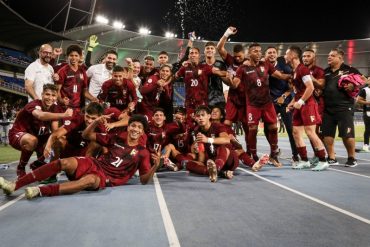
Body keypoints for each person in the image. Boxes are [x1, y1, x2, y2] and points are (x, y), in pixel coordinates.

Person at [0, 115, 161, 199]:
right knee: (64, 162)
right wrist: (96, 122)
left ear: (142, 132)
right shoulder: (116, 138)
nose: (135, 129)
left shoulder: (143, 152)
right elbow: (86, 134)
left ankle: (40, 191)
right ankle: (14, 185)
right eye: (133, 125)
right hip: (94, 164)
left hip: (107, 178)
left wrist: (156, 165)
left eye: (139, 127)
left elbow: (144, 180)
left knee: (89, 181)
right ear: (129, 126)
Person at [232, 43, 291, 166]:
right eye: (255, 51)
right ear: (249, 53)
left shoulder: (266, 64)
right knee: (252, 130)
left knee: (273, 128)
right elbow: (235, 84)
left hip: (267, 103)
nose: (258, 53)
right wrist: (229, 78)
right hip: (253, 105)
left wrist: (293, 76)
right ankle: (253, 155)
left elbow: (280, 75)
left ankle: (274, 155)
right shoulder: (242, 68)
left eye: (260, 51)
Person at [8, 84, 73, 178]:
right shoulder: (33, 104)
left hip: (40, 138)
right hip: (18, 135)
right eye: (47, 94)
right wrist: (64, 115)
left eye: (53, 95)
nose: (50, 98)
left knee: (60, 140)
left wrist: (66, 127)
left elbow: (55, 130)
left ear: (56, 97)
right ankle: (21, 168)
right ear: (42, 94)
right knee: (32, 140)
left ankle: (40, 164)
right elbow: (40, 115)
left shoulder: (55, 108)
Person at [285, 46, 328, 171]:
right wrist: (292, 102)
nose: (284, 56)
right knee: (296, 132)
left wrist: (301, 101)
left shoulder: (302, 69)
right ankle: (304, 160)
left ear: (293, 56)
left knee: (310, 132)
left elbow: (311, 88)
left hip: (308, 105)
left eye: (286, 54)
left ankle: (323, 160)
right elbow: (300, 91)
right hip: (300, 104)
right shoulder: (295, 70)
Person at [322, 48, 362, 167]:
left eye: (332, 56)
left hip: (344, 107)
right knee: (327, 135)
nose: (329, 57)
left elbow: (364, 80)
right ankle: (331, 157)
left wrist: (354, 85)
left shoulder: (350, 70)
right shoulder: (326, 71)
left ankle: (352, 158)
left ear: (340, 58)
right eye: (329, 55)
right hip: (328, 108)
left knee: (347, 134)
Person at [175, 47, 227, 122]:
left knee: (202, 125)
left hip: (202, 103)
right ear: (189, 56)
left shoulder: (205, 67)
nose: (193, 55)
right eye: (191, 53)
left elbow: (221, 73)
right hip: (189, 104)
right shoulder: (184, 68)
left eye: (196, 53)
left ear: (199, 55)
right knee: (190, 125)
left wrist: (230, 73)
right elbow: (175, 76)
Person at [264, 46, 298, 161]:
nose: (272, 54)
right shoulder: (262, 66)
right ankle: (274, 151)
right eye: (269, 53)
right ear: (266, 55)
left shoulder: (285, 67)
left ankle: (295, 155)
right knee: (267, 129)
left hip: (285, 102)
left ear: (277, 54)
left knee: (290, 129)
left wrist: (283, 96)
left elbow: (292, 86)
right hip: (269, 103)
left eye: (274, 52)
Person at [302, 49, 326, 165]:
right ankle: (317, 154)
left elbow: (321, 85)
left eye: (308, 56)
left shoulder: (319, 70)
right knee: (309, 132)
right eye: (304, 56)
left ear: (314, 58)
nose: (305, 58)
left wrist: (311, 78)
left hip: (316, 105)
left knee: (314, 132)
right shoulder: (300, 70)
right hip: (304, 104)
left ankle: (321, 156)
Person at [56, 45, 98, 110]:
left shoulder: (83, 71)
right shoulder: (62, 71)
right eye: (71, 55)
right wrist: (61, 100)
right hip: (64, 107)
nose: (73, 58)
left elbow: (85, 91)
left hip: (78, 107)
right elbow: (57, 90)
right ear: (67, 56)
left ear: (80, 57)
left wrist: (93, 98)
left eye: (76, 55)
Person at [200, 41, 227, 108]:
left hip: (218, 99)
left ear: (215, 51)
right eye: (208, 48)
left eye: (212, 48)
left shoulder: (221, 64)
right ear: (204, 51)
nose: (210, 50)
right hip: (203, 98)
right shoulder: (200, 65)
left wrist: (218, 72)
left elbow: (226, 81)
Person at [356, 82, 370, 152]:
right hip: (368, 111)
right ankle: (366, 145)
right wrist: (368, 103)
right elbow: (358, 100)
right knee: (368, 129)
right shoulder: (365, 90)